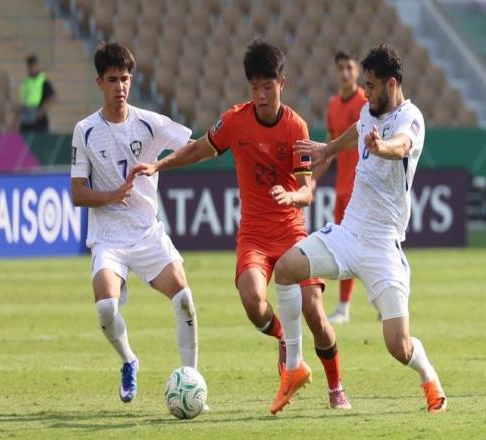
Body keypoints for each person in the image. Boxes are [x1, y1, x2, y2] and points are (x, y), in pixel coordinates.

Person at [132, 37, 351, 412]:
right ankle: (284, 339)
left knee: (314, 311)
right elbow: (199, 149)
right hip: (254, 235)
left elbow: (307, 191)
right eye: (255, 87)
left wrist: (292, 197)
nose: (261, 95)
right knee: (252, 300)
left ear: (282, 84)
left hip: (292, 233)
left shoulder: (295, 127)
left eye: (268, 86)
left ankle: (336, 387)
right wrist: (159, 164)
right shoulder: (234, 121)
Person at [270, 44, 447, 414]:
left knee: (399, 346)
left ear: (391, 84)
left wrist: (381, 147)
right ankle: (293, 367)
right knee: (285, 269)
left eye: (371, 85)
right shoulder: (369, 111)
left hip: (383, 246)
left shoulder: (411, 118)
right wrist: (329, 149)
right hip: (349, 233)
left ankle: (428, 374)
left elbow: (402, 145)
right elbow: (358, 127)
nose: (365, 93)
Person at [70, 43, 199, 404]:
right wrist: (112, 196)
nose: (120, 87)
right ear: (99, 83)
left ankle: (192, 380)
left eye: (125, 79)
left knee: (185, 300)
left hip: (147, 233)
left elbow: (195, 146)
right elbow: (77, 194)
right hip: (108, 238)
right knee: (106, 308)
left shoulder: (149, 123)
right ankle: (129, 360)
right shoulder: (85, 130)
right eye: (112, 79)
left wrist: (166, 162)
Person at [315, 51, 366, 324]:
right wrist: (312, 179)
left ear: (357, 71)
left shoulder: (365, 103)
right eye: (341, 68)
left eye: (349, 67)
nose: (345, 73)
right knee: (348, 247)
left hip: (364, 188)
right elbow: (330, 148)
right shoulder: (333, 106)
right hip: (341, 188)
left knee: (367, 245)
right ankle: (345, 307)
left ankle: (347, 307)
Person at [18, 54, 56, 134]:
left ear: (37, 66)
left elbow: (52, 97)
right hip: (27, 116)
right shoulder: (26, 81)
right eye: (29, 66)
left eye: (33, 66)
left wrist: (41, 111)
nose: (31, 68)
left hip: (38, 119)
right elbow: (22, 98)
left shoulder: (43, 80)